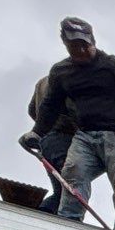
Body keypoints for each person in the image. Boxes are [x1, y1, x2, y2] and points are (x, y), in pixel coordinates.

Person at [20, 17, 115, 230]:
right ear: (65, 43)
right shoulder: (61, 72)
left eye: (85, 45)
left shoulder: (111, 65)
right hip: (85, 135)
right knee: (72, 176)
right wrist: (36, 133)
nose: (81, 50)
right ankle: (69, 223)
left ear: (93, 41)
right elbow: (49, 106)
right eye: (75, 45)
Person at [25, 73, 79, 214]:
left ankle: (44, 216)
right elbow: (74, 110)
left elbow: (31, 110)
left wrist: (43, 125)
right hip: (63, 140)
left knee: (61, 190)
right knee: (70, 189)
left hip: (45, 142)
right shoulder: (67, 80)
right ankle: (50, 220)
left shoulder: (42, 82)